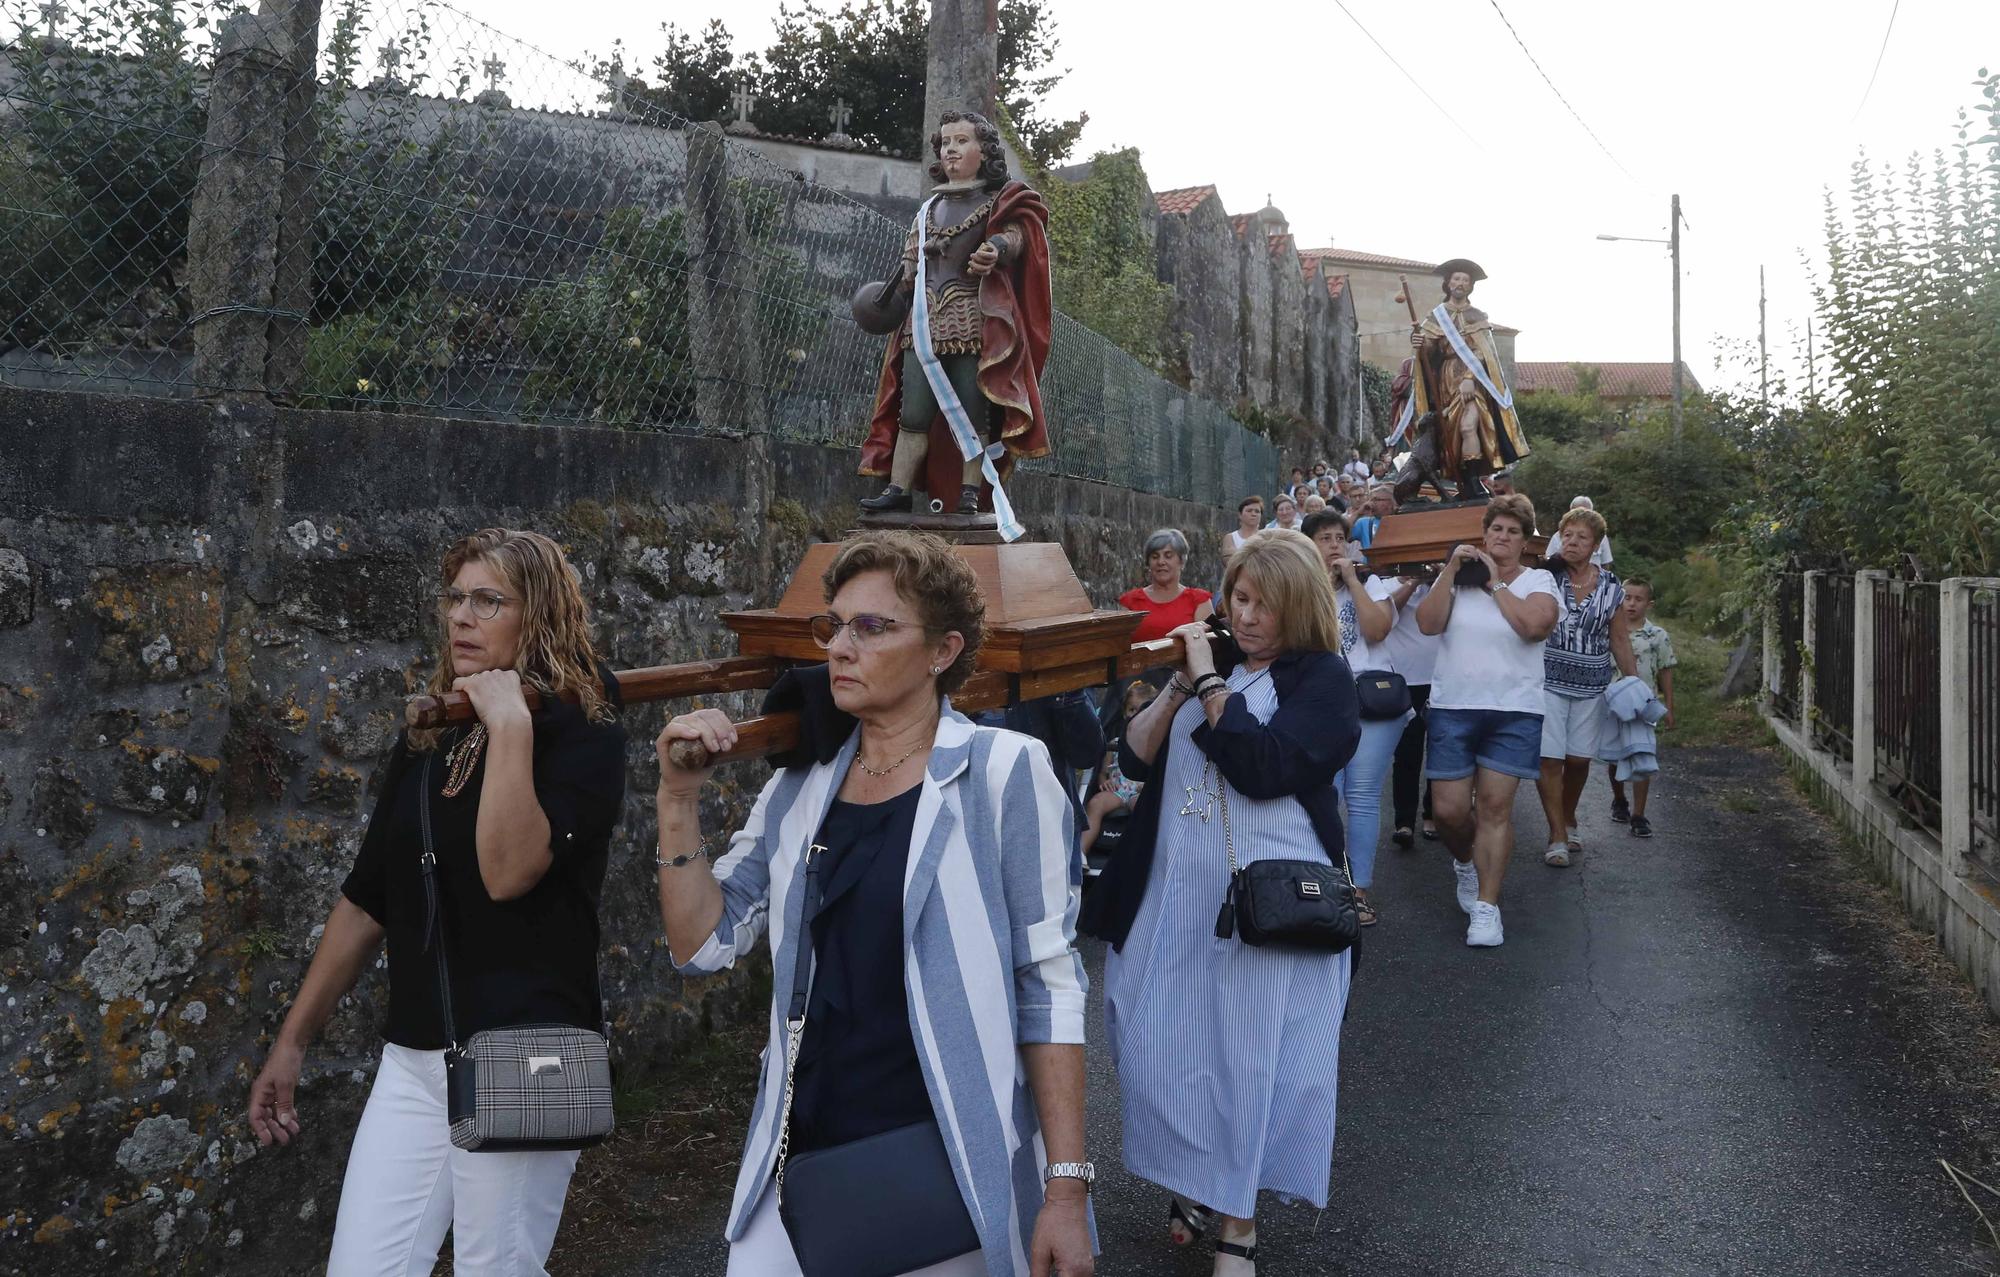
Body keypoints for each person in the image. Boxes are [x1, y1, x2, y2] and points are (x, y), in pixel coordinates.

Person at [654, 532, 1094, 1277]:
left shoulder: (1002, 774)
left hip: (942, 1154)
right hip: (800, 1150)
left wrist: (1065, 1192)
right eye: (836, 624)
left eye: (873, 626)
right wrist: (677, 796)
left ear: (942, 651)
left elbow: (1048, 984)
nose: (839, 648)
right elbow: (703, 941)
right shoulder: (800, 786)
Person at [247, 529, 628, 1276]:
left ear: (539, 615)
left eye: (489, 600)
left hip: (525, 1051)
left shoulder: (584, 719)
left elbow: (510, 871)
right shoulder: (435, 730)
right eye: (455, 596)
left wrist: (511, 725)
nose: (461, 616)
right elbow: (368, 898)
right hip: (420, 1052)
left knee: (497, 1270)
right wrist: (292, 1040)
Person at [1082, 529, 1359, 1275]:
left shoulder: (1326, 681)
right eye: (1239, 597)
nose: (1248, 616)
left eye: (1265, 603)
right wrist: (1179, 682)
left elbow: (1264, 768)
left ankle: (1238, 1220)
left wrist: (1209, 684)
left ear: (1298, 608)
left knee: (1248, 1054)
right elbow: (1137, 754)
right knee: (1155, 1037)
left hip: (1269, 903)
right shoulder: (1212, 661)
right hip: (1174, 890)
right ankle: (1197, 1173)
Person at [856, 112, 1052, 515]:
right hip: (922, 321)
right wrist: (900, 280)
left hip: (969, 318)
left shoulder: (995, 203)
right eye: (946, 142)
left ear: (984, 152)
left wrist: (995, 249)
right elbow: (909, 264)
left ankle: (970, 491)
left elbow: (1017, 236)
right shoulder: (927, 209)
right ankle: (899, 488)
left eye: (962, 141)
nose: (951, 149)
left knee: (970, 408)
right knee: (913, 412)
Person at [1417, 495, 1559, 947]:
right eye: (1496, 529)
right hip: (1453, 706)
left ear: (1525, 541)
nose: (1502, 536)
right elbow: (1427, 624)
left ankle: (1487, 908)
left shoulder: (1539, 580)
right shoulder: (1458, 581)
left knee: (1496, 809)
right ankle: (1465, 862)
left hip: (1513, 710)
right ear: (1484, 534)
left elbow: (1534, 627)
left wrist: (1497, 584)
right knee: (1449, 811)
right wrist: (1450, 572)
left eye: (1513, 531)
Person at [1306, 509, 1407, 927]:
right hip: (1319, 703)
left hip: (1371, 699)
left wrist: (1350, 581)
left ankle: (1358, 889)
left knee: (1363, 795)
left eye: (1338, 538)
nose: (1332, 545)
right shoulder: (1300, 586)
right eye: (1324, 538)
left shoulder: (1371, 582)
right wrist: (1323, 588)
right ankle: (1324, 880)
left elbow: (1378, 629)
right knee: (1323, 793)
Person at [1536, 506, 1636, 867]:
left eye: (1581, 537)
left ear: (1596, 545)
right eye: (1567, 534)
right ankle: (1557, 834)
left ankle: (1568, 814)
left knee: (1578, 759)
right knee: (1549, 757)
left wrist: (1634, 683)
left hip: (1592, 684)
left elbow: (1620, 639)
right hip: (1546, 680)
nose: (1573, 542)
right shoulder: (1545, 575)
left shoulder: (1611, 587)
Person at [1608, 577, 1675, 838]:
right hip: (1614, 702)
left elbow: (1666, 671)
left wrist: (1668, 706)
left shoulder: (1657, 636)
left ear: (1649, 604)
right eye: (1627, 597)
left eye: (1638, 599)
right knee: (1615, 754)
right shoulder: (1610, 631)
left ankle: (1639, 814)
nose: (1631, 604)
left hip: (1644, 706)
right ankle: (1619, 799)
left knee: (1642, 756)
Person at [1381, 568, 1441, 847]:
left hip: (1442, 678)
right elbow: (1386, 616)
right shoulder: (1385, 584)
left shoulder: (1446, 582)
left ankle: (1433, 814)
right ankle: (1404, 821)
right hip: (1404, 681)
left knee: (1440, 753)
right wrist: (1414, 580)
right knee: (1406, 755)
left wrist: (1440, 575)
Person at [1082, 681, 1158, 855]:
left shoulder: (1153, 747)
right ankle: (1081, 851)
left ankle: (1142, 852)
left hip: (1139, 791)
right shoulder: (1115, 744)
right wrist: (1104, 782)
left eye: (1141, 710)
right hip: (1117, 791)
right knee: (1095, 803)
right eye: (1131, 709)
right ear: (1124, 712)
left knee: (1143, 807)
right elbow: (1102, 772)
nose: (1134, 714)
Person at [1121, 527, 1216, 643]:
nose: (1161, 562)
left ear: (1181, 561)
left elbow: (1212, 647)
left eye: (1168, 556)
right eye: (1155, 557)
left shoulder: (1199, 601)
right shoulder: (1131, 602)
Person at [1570, 495, 1614, 566]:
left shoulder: (1600, 535)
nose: (1581, 517)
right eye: (1576, 513)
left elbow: (1605, 564)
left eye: (1585, 514)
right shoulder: (1559, 536)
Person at [1348, 486, 1395, 550]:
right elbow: (1345, 534)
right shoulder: (1364, 523)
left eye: (1376, 499)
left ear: (1390, 502)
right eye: (1371, 500)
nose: (1372, 503)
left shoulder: (1399, 520)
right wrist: (1358, 513)